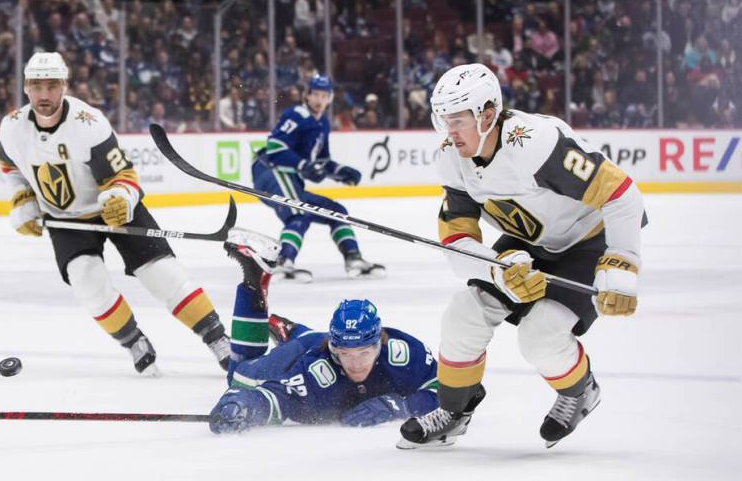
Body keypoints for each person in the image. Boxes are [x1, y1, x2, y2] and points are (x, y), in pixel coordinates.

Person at [398, 63, 645, 449]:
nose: (449, 131)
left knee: (540, 337)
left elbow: (621, 194)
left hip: (586, 243)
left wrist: (622, 263)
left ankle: (580, 392)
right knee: (464, 314)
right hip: (527, 243)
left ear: (489, 114)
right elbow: (457, 238)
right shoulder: (450, 156)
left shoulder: (538, 144)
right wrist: (499, 272)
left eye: (458, 120)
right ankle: (455, 410)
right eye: (443, 119)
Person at [0, 52, 231, 375]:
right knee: (86, 282)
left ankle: (218, 339)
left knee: (162, 275)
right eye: (37, 86)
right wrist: (22, 196)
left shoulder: (87, 124)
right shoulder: (11, 128)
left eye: (52, 85)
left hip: (113, 209)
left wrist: (120, 197)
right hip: (66, 219)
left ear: (64, 85)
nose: (44, 94)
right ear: (26, 87)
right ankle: (134, 341)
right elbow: (9, 165)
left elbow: (125, 176)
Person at [209, 229, 438, 433]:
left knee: (310, 344)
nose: (355, 364)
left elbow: (447, 387)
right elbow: (277, 397)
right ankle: (254, 281)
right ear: (333, 348)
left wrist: (402, 406)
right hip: (309, 348)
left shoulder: (406, 353)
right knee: (238, 378)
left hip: (318, 340)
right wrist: (242, 402)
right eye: (345, 354)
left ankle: (294, 332)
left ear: (379, 344)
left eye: (363, 353)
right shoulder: (318, 370)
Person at [251, 75, 384, 282]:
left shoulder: (322, 123)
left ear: (330, 98)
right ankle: (282, 262)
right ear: (307, 95)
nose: (320, 100)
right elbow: (275, 149)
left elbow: (321, 161)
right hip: (271, 171)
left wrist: (341, 171)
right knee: (298, 214)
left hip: (291, 179)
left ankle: (353, 258)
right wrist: (304, 165)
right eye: (316, 95)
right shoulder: (296, 114)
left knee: (337, 212)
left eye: (324, 95)